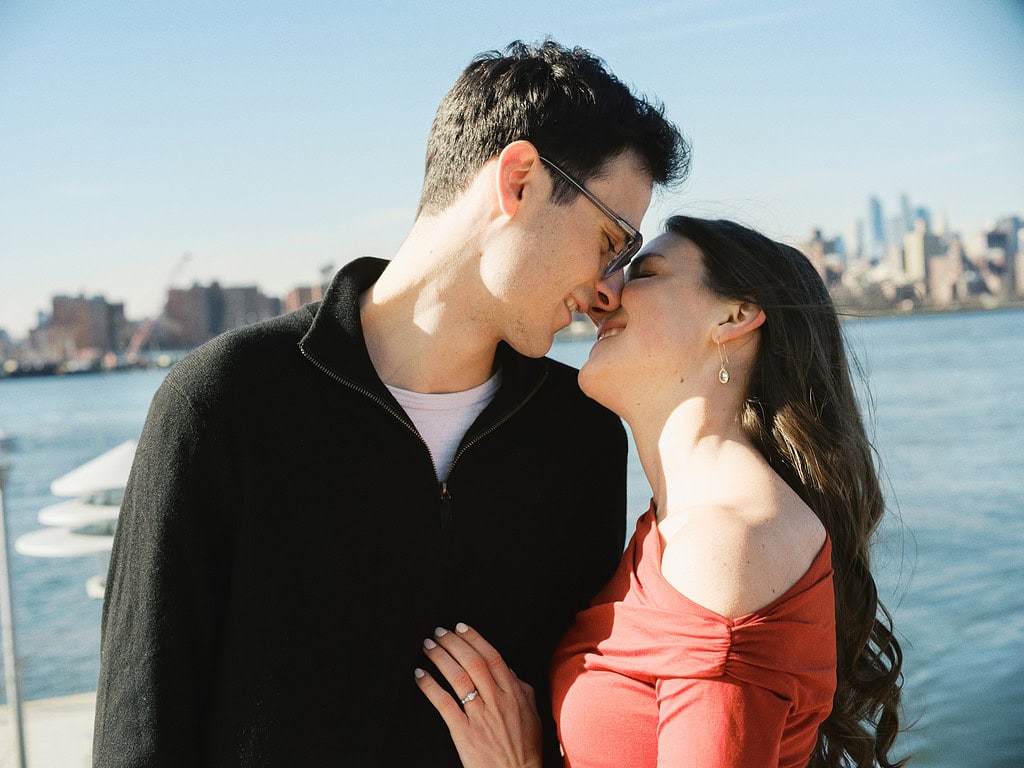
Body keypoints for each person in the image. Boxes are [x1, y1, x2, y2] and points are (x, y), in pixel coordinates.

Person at [92, 40, 689, 767]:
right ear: (521, 179)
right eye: (609, 241)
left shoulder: (581, 433)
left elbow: (577, 722)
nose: (607, 288)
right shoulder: (224, 403)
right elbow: (140, 729)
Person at [416, 216, 906, 768]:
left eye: (645, 272)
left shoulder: (725, 545)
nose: (604, 295)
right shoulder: (680, 529)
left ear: (735, 316)